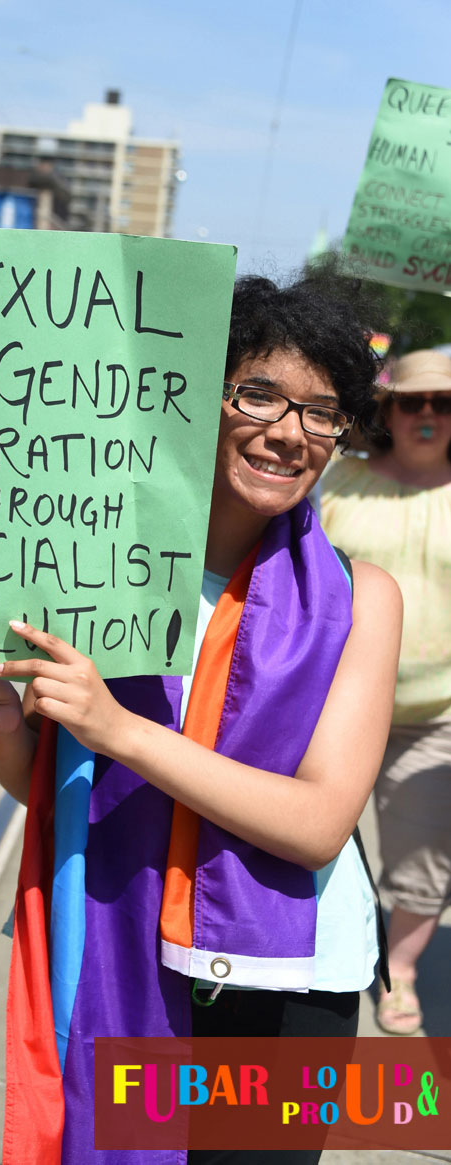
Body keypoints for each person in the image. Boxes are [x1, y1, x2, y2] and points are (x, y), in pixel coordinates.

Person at [0, 274, 403, 1165]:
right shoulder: (92, 564)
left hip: (285, 983)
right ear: (192, 398)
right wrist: (8, 729)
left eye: (322, 412)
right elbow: (59, 788)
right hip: (119, 940)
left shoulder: (360, 597)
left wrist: (120, 728)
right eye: (258, 394)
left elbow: (317, 824)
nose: (289, 432)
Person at [321, 348, 451, 1036]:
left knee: (425, 856)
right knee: (303, 837)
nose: (428, 413)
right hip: (328, 704)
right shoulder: (339, 479)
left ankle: (399, 972)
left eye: (444, 402)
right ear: (388, 411)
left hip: (437, 715)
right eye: (412, 401)